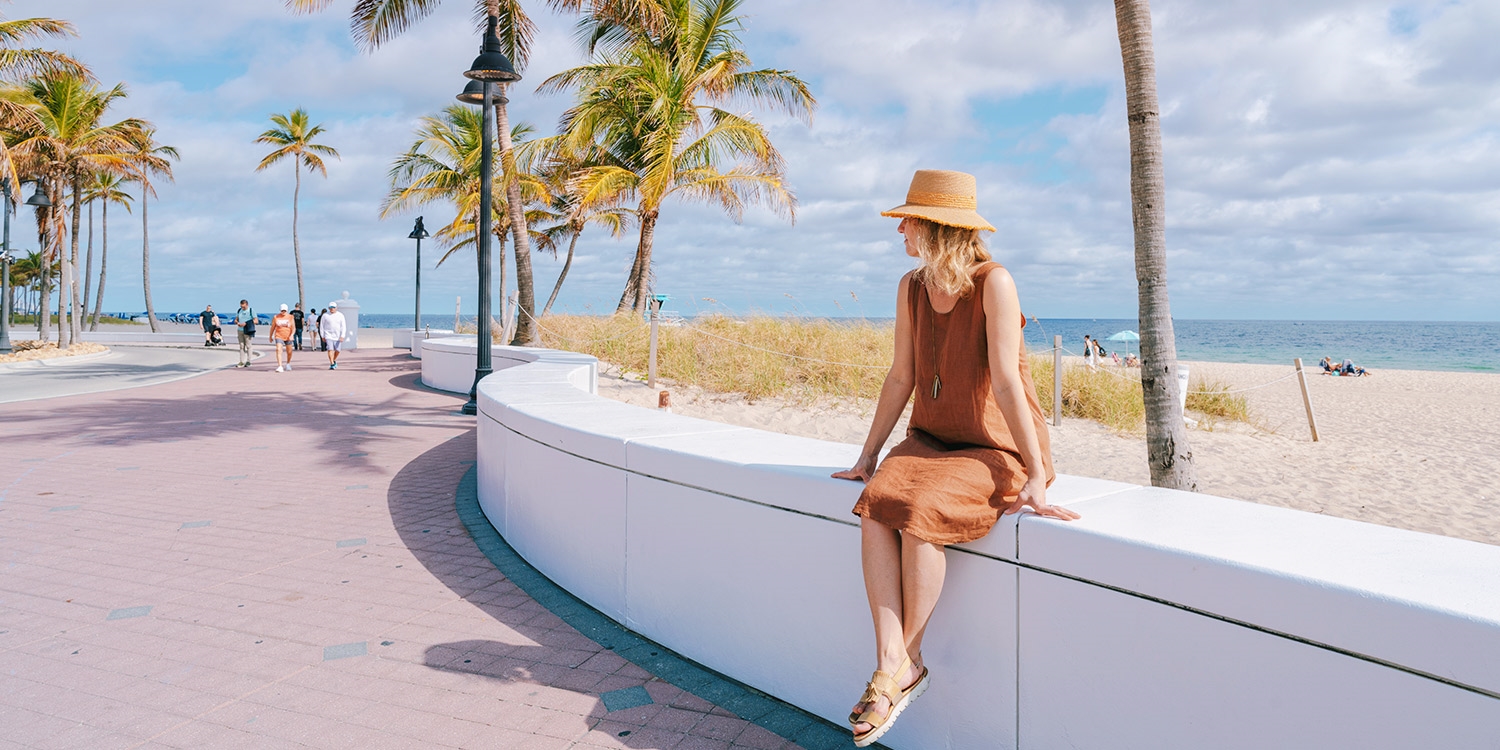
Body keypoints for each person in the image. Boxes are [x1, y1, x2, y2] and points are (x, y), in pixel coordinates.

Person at [831, 170, 1079, 747]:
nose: (900, 230)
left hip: (994, 446)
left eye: (907, 220)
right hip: (931, 438)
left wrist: (1038, 472)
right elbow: (902, 375)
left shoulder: (995, 282)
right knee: (876, 503)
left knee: (921, 513)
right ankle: (898, 662)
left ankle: (892, 673)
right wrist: (868, 455)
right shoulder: (911, 287)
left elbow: (1011, 385)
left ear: (935, 226)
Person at [319, 301, 347, 369]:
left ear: (336, 308)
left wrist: (342, 335)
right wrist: (322, 335)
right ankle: (331, 363)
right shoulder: (325, 315)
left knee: (338, 350)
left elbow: (343, 326)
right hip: (328, 335)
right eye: (330, 307)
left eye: (333, 307)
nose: (332, 309)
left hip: (337, 336)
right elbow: (322, 326)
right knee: (330, 349)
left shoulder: (340, 315)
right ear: (328, 308)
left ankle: (333, 360)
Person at [270, 304, 296, 372]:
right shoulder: (276, 317)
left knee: (289, 351)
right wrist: (270, 336)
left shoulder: (290, 317)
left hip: (288, 336)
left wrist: (292, 335)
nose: (283, 312)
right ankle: (280, 366)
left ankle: (288, 363)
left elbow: (293, 328)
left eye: (284, 310)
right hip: (279, 335)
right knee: (278, 349)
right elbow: (273, 327)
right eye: (282, 310)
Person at [234, 299, 255, 367]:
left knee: (248, 345)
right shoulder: (239, 310)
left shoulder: (251, 310)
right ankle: (241, 361)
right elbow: (236, 319)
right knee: (241, 346)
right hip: (240, 330)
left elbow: (256, 320)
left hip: (247, 330)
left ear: (247, 305)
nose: (242, 308)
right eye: (241, 306)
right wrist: (237, 322)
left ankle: (248, 361)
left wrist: (246, 323)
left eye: (244, 307)